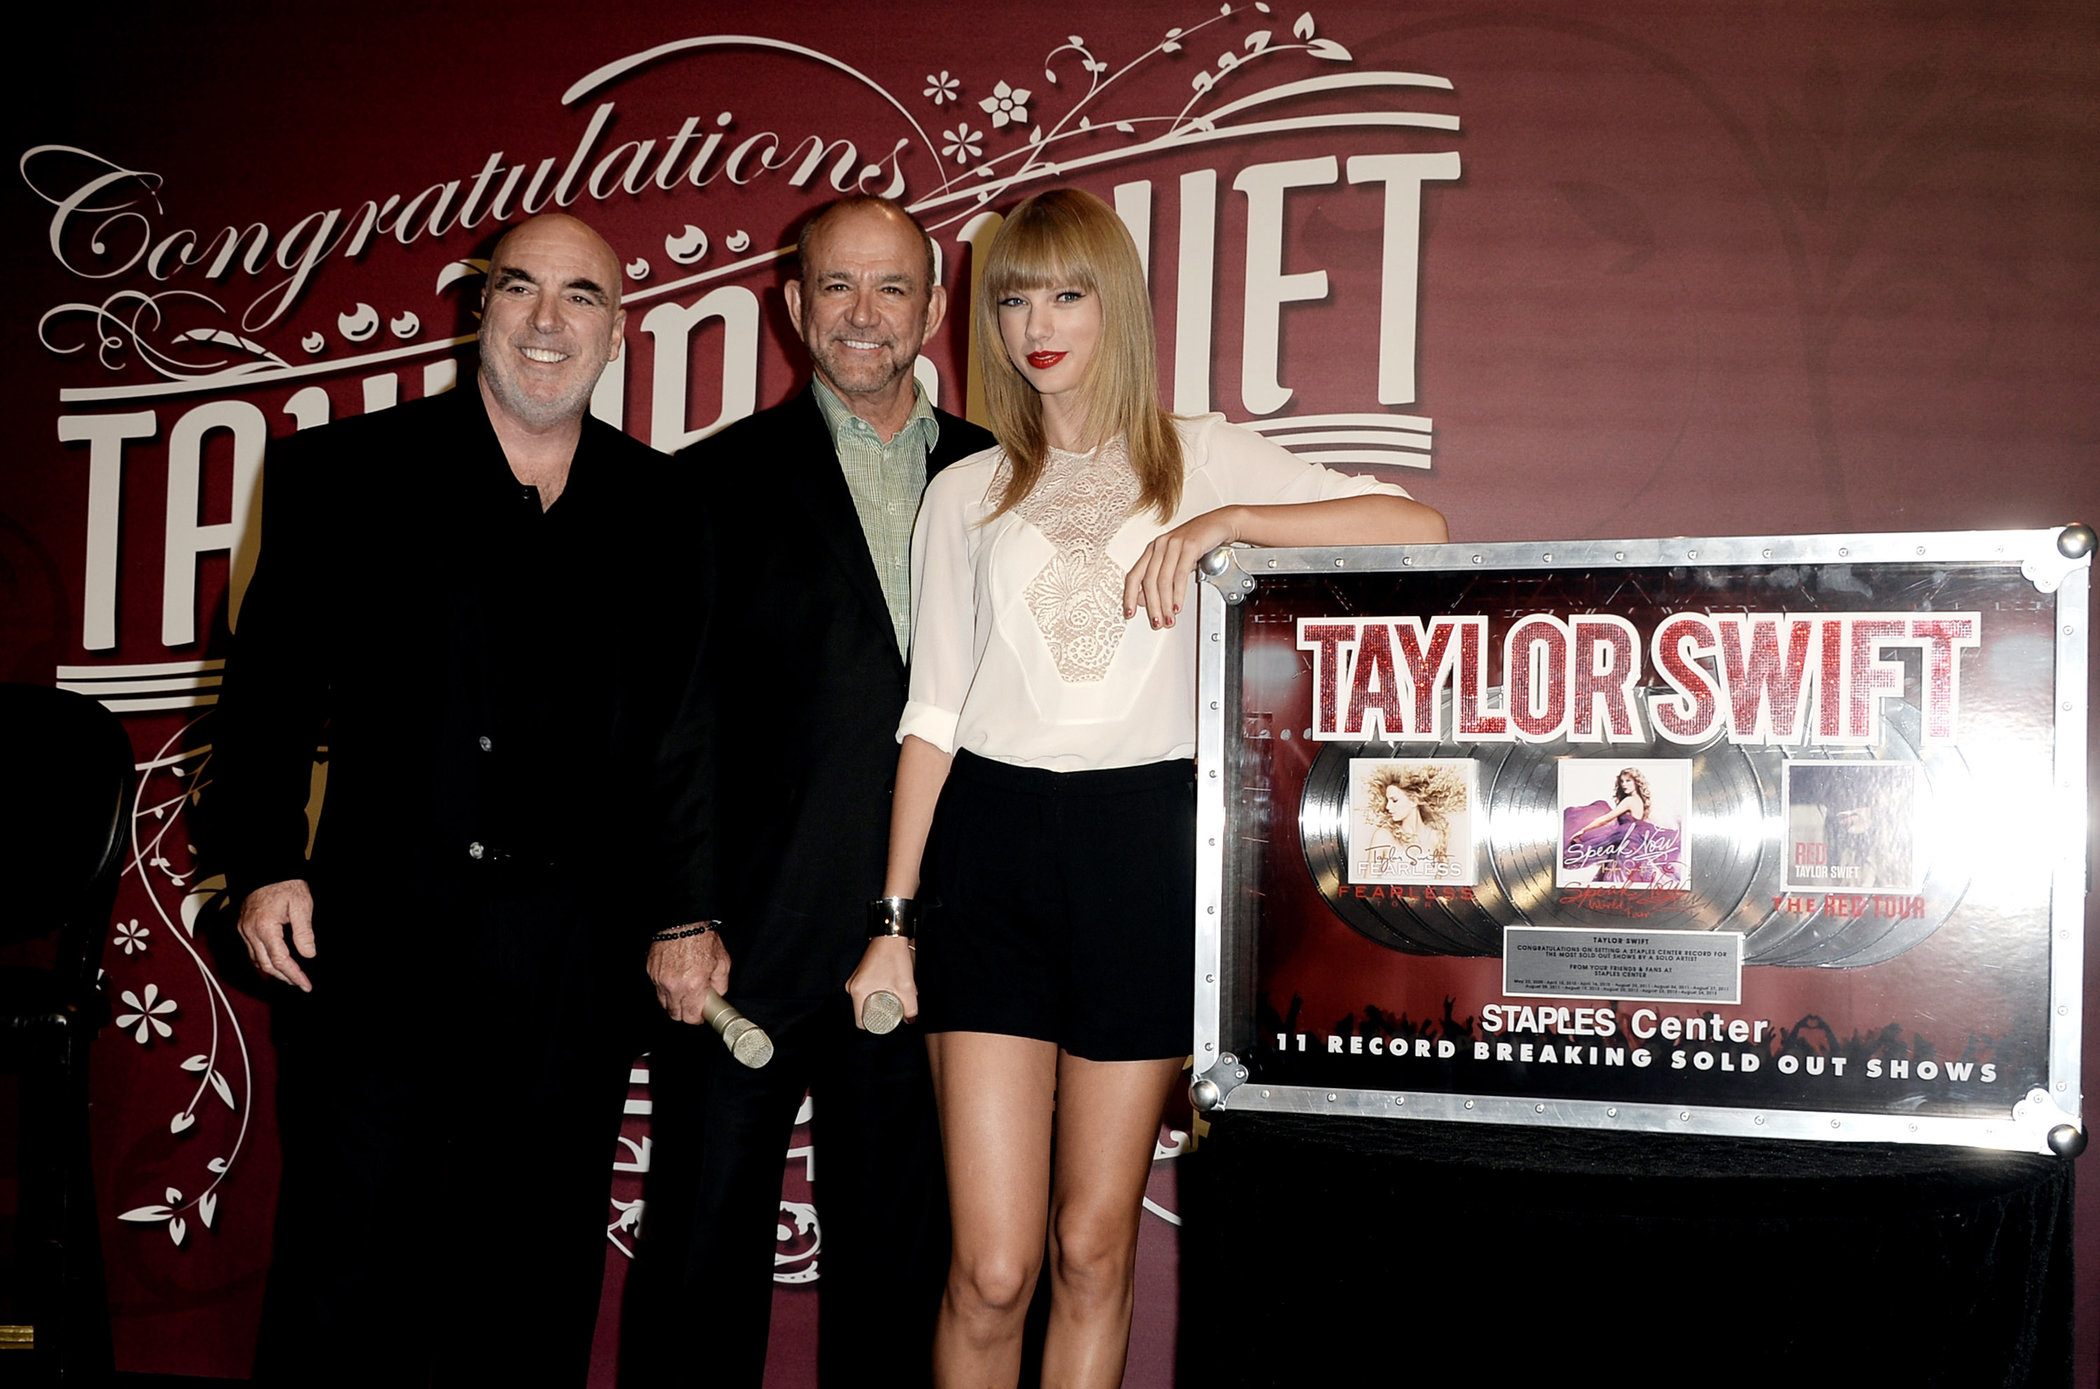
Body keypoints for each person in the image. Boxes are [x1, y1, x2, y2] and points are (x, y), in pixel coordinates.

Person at [845, 188, 1448, 1387]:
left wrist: (1230, 519)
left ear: (1115, 303)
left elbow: (1417, 523)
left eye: (1066, 293)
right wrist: (893, 924)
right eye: (1012, 298)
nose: (1036, 324)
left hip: (1149, 853)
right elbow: (934, 717)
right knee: (992, 1268)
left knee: (1088, 1246)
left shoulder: (1201, 450)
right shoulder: (963, 492)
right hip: (990, 858)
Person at [207, 213, 715, 1385]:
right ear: (479, 310)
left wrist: (686, 912)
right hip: (377, 938)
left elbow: (685, 732)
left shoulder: (663, 508)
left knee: (533, 1280)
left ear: (618, 331)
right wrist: (265, 861)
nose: (548, 322)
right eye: (521, 290)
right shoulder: (344, 473)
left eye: (580, 297)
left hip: (570, 965)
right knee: (349, 1266)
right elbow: (267, 695)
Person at [624, 195, 992, 1388]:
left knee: (901, 1262)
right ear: (794, 307)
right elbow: (671, 722)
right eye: (837, 287)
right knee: (696, 1254)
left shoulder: (1005, 479)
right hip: (747, 934)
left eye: (893, 288)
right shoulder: (709, 486)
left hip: (935, 938)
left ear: (935, 309)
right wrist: (680, 916)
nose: (864, 315)